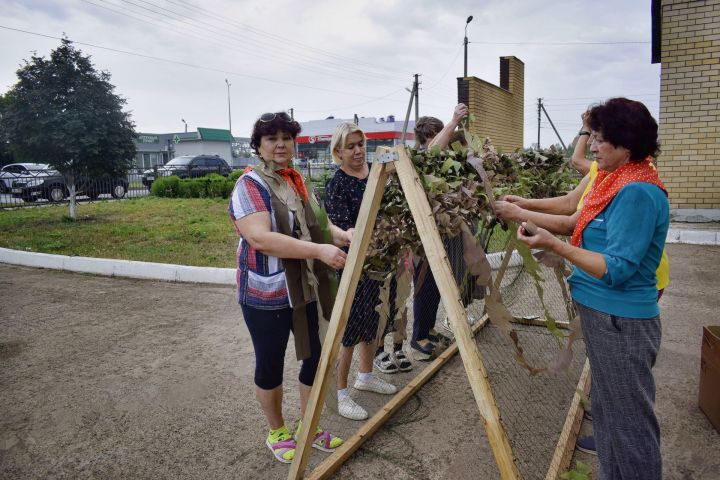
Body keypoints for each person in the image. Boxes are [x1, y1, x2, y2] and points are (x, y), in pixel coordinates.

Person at [516, 98, 668, 479]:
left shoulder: (637, 191)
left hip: (622, 321)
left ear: (626, 145)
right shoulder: (615, 178)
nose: (593, 146)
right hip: (606, 317)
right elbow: (574, 217)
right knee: (612, 412)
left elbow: (615, 268)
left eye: (601, 139)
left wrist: (553, 245)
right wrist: (530, 219)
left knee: (629, 423)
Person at [228, 112, 352, 463]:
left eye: (286, 137)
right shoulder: (250, 185)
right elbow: (261, 238)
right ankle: (277, 431)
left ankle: (307, 426)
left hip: (306, 287)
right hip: (266, 294)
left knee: (313, 357)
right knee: (270, 362)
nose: (280, 144)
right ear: (259, 146)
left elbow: (317, 223)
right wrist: (319, 250)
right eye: (271, 139)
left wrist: (343, 235)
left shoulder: (297, 181)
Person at [323, 121, 402, 421]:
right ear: (338, 152)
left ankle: (366, 376)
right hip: (356, 265)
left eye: (361, 144)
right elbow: (344, 230)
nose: (358, 151)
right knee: (351, 329)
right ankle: (341, 393)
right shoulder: (337, 183)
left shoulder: (379, 171)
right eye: (351, 147)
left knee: (376, 318)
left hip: (383, 261)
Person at [411, 103, 469, 360]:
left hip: (443, 233)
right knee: (423, 286)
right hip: (422, 236)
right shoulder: (419, 158)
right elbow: (433, 152)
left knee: (437, 285)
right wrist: (453, 121)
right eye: (433, 136)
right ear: (424, 139)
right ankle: (418, 337)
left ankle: (430, 329)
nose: (439, 140)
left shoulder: (446, 160)